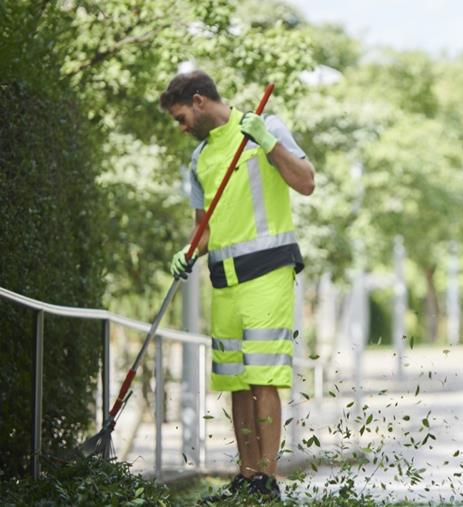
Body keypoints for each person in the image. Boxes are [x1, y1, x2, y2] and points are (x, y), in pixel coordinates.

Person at [159, 70, 315, 501]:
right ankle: (247, 477)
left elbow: (305, 182)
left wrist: (268, 142)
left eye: (181, 117)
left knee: (264, 377)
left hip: (267, 274)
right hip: (224, 282)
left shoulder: (264, 128)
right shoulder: (199, 160)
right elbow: (203, 229)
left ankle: (267, 480)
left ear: (199, 100)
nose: (182, 127)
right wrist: (188, 251)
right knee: (237, 382)